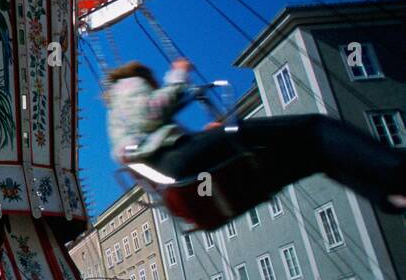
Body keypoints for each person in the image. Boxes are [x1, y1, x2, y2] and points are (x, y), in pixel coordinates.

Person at [105, 59, 406, 225]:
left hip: (183, 180)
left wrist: (204, 137)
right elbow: (150, 112)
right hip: (180, 163)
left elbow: (147, 132)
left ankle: (390, 196)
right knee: (315, 126)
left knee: (313, 155)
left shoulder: (117, 125)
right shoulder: (128, 84)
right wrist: (178, 75)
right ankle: (396, 170)